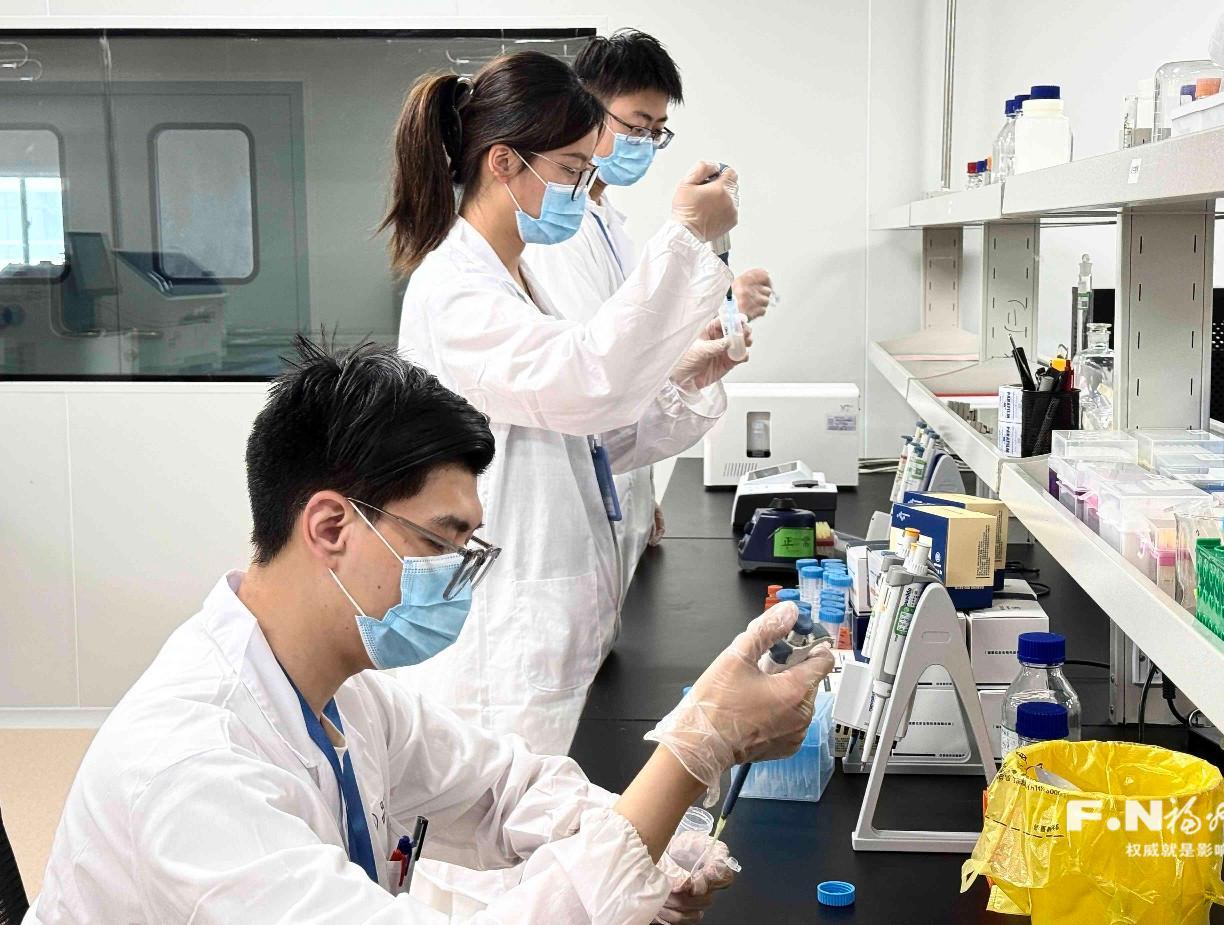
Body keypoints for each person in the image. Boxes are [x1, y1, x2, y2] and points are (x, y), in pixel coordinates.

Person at [23, 338, 833, 925]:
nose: (455, 575)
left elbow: (500, 789)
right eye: (440, 542)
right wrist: (693, 749)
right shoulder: (194, 767)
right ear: (331, 526)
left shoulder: (341, 692)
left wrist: (652, 835)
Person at [389, 50, 745, 758]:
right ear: (503, 163)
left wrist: (682, 380)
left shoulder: (519, 280)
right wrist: (685, 237)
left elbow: (587, 438)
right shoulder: (455, 291)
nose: (584, 189)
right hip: (505, 629)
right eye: (572, 169)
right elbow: (589, 381)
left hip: (552, 611)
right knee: (500, 816)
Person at [525, 30, 776, 588]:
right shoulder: (553, 236)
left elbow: (633, 348)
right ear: (583, 107)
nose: (644, 143)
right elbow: (596, 372)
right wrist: (691, 239)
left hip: (615, 498)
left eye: (656, 131)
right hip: (566, 523)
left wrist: (641, 498)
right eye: (635, 126)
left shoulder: (605, 221)